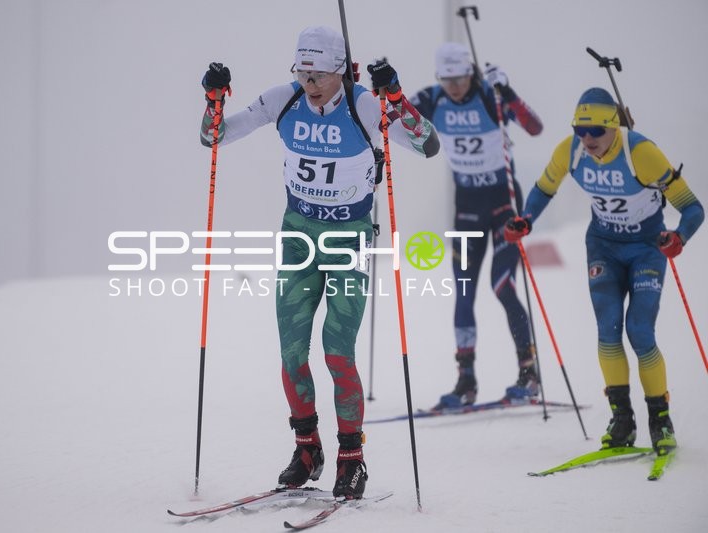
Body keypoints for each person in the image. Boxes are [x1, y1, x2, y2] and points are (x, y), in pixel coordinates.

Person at [199, 26, 439, 499]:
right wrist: (214, 99)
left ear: (339, 71)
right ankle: (307, 448)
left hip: (348, 238)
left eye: (319, 73)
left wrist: (395, 97)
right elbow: (216, 137)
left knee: (337, 350)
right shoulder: (283, 101)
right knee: (291, 352)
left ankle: (352, 456)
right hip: (299, 237)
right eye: (302, 71)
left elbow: (427, 144)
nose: (309, 82)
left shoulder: (364, 105)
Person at [504, 87, 704, 454]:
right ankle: (622, 419)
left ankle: (660, 420)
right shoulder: (571, 150)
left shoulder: (640, 152)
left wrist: (679, 238)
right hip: (603, 248)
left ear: (614, 126)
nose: (587, 138)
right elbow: (544, 188)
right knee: (608, 330)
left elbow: (693, 208)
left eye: (595, 130)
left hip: (646, 249)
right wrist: (525, 220)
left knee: (639, 330)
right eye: (581, 130)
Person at [408, 42, 544, 409]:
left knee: (502, 285)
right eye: (447, 78)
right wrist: (381, 91)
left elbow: (534, 127)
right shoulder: (432, 98)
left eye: (461, 77)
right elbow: (388, 119)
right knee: (464, 290)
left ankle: (529, 373)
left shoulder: (490, 95)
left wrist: (508, 91)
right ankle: (466, 380)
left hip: (503, 204)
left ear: (472, 73)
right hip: (467, 206)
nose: (455, 86)